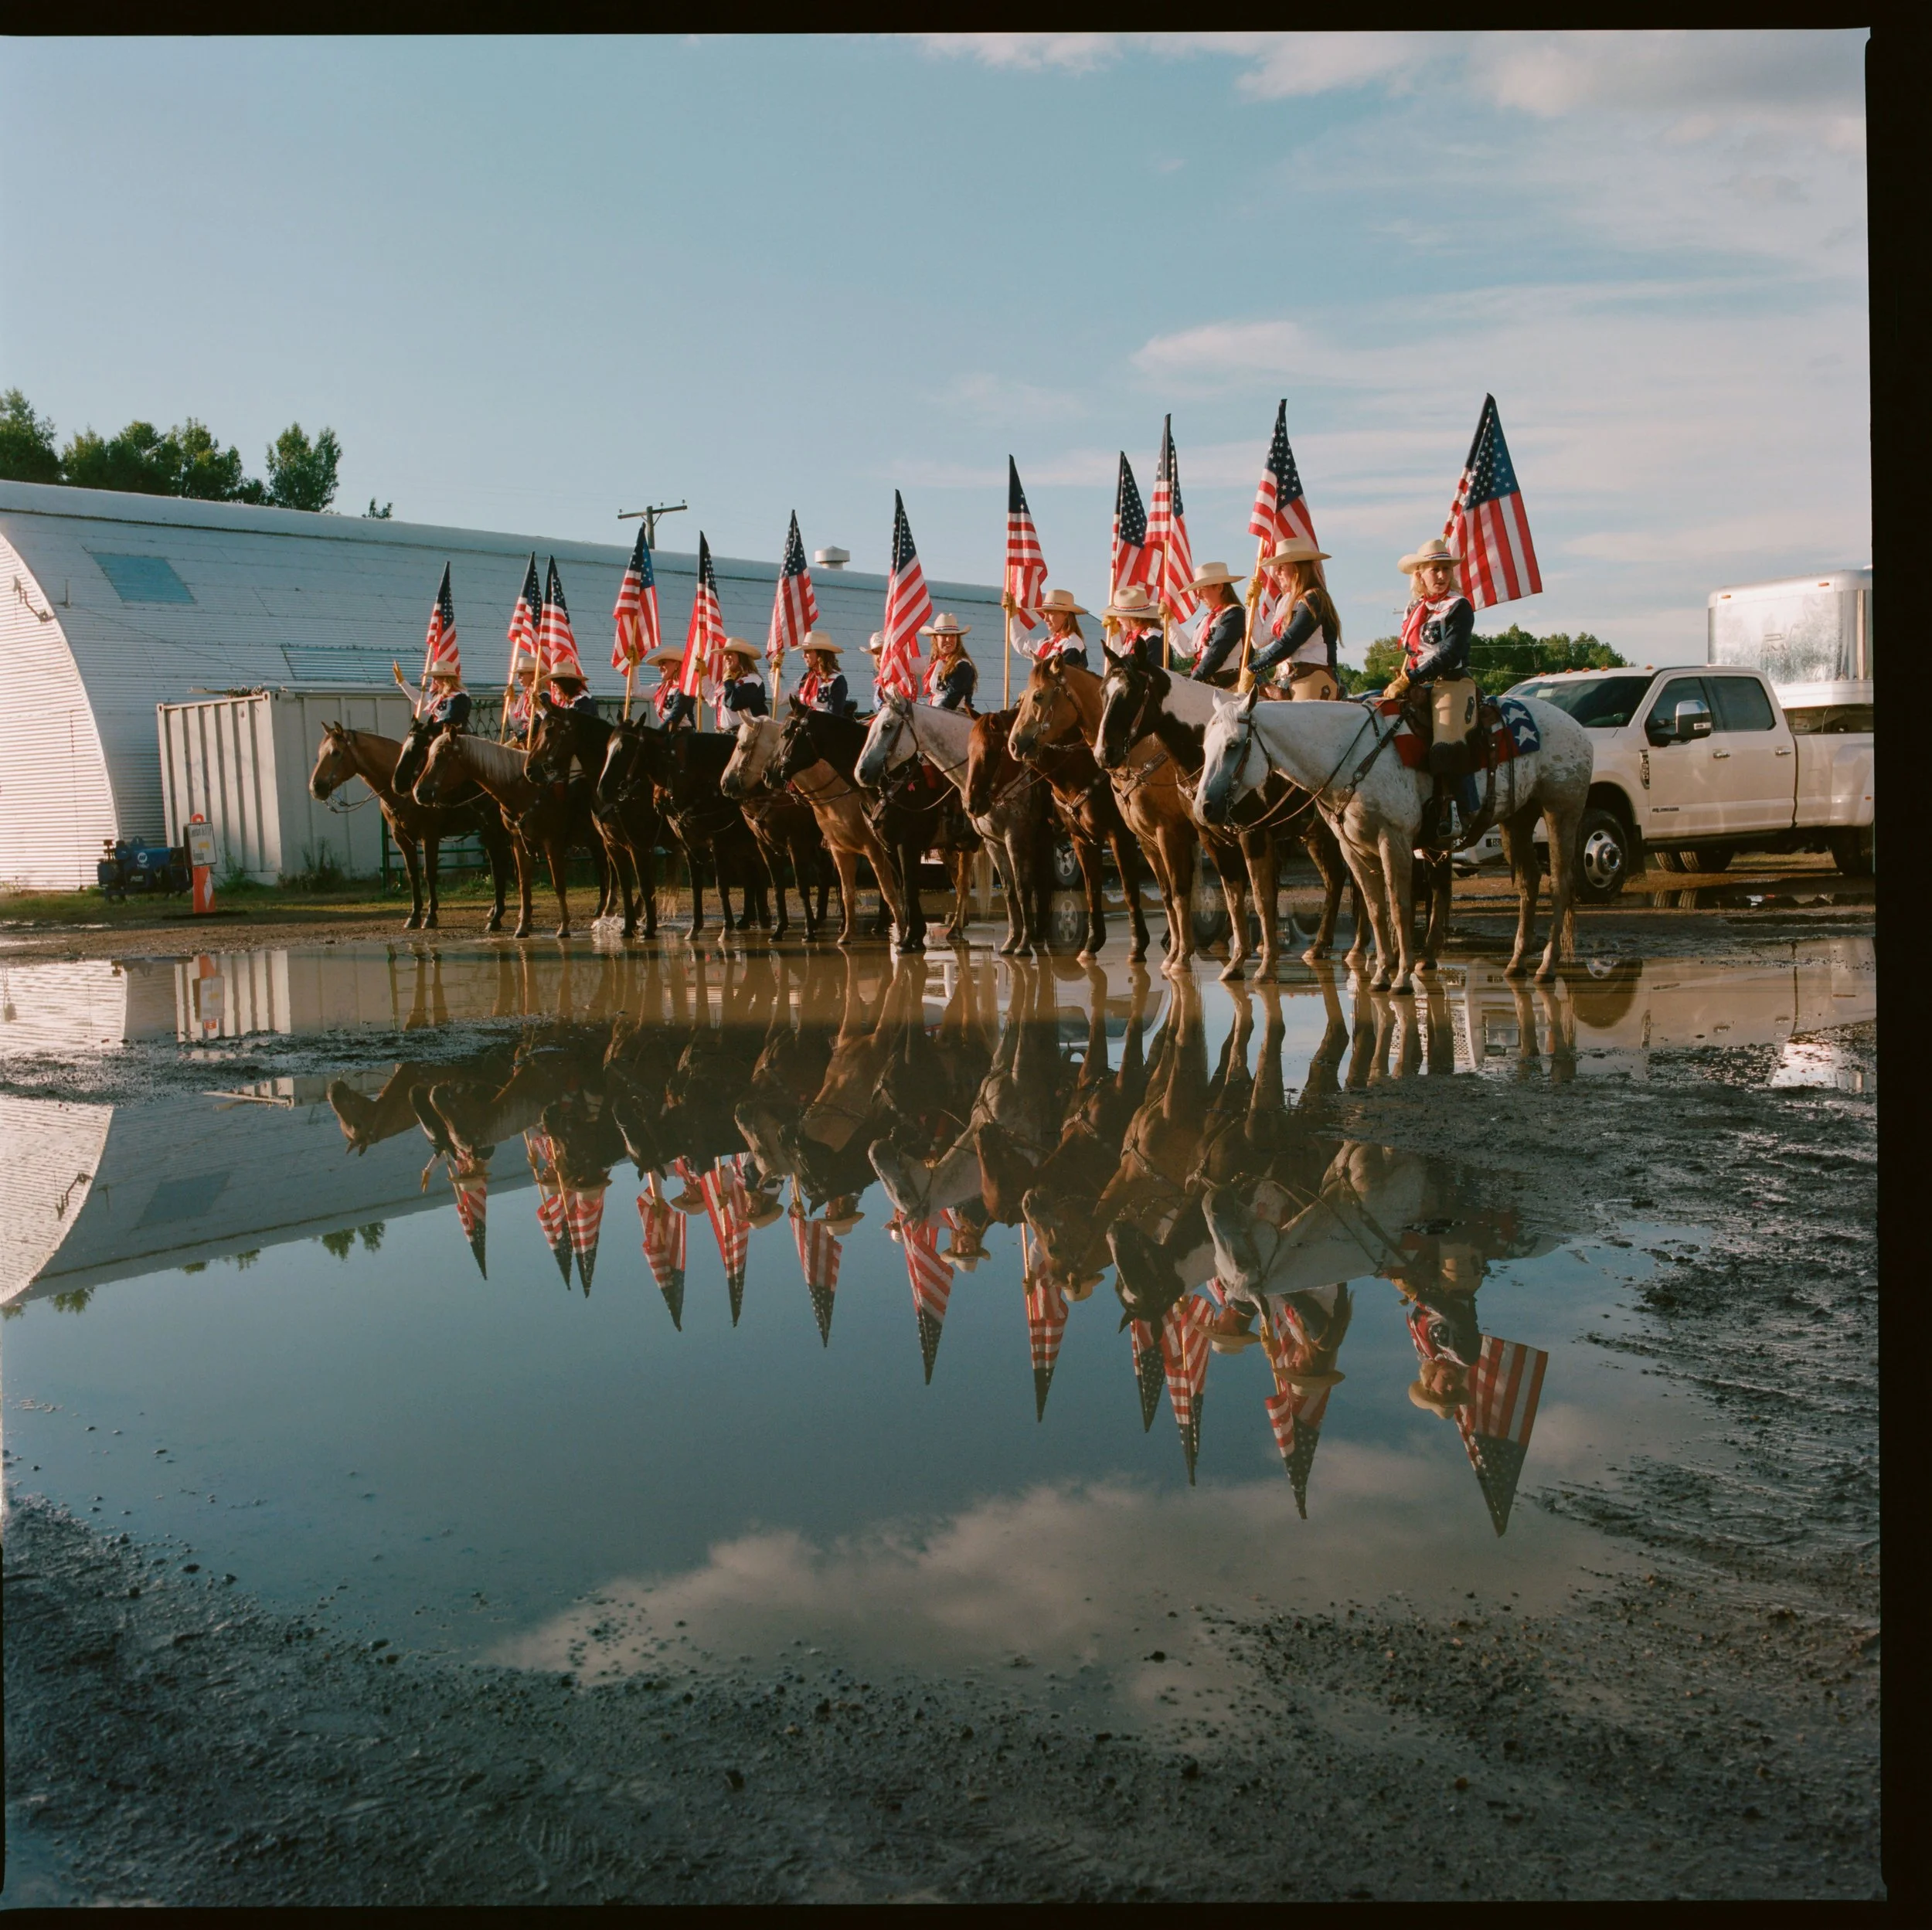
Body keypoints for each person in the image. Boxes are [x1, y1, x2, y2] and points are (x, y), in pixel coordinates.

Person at [1389, 535, 1479, 841]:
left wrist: (1410, 679)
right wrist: (1404, 678)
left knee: (1446, 743)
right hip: (1415, 681)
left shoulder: (1460, 606)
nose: (1441, 576)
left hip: (1451, 682)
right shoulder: (1414, 608)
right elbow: (1413, 651)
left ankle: (1463, 812)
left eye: (1446, 569)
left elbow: (1449, 654)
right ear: (1420, 575)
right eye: (1434, 570)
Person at [1247, 538, 1342, 699]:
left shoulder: (1314, 598)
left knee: (1301, 720)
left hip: (1313, 674)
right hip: (1285, 678)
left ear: (1297, 568)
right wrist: (1251, 605)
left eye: (1281, 567)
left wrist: (1254, 669)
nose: (1276, 573)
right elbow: (1258, 641)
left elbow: (1290, 641)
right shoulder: (1284, 601)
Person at [1184, 562, 1250, 688]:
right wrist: (1171, 624)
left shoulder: (1235, 614)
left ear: (1219, 587)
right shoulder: (1207, 619)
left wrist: (1191, 684)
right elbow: (1188, 650)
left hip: (1229, 684)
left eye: (1202, 589)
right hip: (1209, 683)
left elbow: (1217, 653)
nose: (1198, 596)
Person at [919, 613, 978, 712]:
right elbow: (909, 665)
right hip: (938, 713)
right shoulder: (938, 663)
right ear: (935, 639)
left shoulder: (962, 665)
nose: (948, 639)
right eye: (944, 635)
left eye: (952, 635)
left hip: (955, 715)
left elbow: (952, 699)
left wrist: (932, 714)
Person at [1101, 585, 1165, 669]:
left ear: (1131, 617)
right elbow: (1119, 665)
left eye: (1120, 615)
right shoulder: (1133, 638)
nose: (1117, 619)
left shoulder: (1154, 640)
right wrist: (1114, 634)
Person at [1029, 590, 1090, 671]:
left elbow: (1064, 679)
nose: (1045, 619)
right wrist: (1014, 616)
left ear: (1065, 614)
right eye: (1045, 614)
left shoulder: (1072, 643)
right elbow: (1022, 644)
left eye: (1051, 613)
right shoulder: (1051, 641)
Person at [797, 634, 850, 717]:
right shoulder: (805, 678)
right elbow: (781, 699)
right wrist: (774, 672)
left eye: (808, 651)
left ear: (820, 654)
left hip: (824, 727)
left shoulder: (837, 679)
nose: (803, 656)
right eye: (804, 652)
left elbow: (835, 715)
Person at [646, 647, 696, 729]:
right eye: (659, 664)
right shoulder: (663, 688)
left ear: (676, 665)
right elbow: (634, 691)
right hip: (667, 732)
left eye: (663, 663)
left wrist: (657, 734)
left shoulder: (685, 689)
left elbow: (675, 716)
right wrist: (634, 666)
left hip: (682, 734)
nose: (660, 667)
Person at [717, 640, 767, 721]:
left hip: (745, 731)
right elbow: (711, 698)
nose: (726, 658)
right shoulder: (730, 681)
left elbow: (734, 703)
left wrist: (728, 681)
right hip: (725, 731)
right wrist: (703, 676)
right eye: (725, 655)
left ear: (741, 657)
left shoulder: (753, 679)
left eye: (730, 654)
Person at [423, 666, 471, 731]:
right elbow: (419, 697)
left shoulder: (460, 697)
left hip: (454, 732)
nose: (434, 681)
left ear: (445, 679)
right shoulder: (438, 696)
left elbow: (455, 719)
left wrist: (434, 726)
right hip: (438, 729)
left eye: (436, 678)